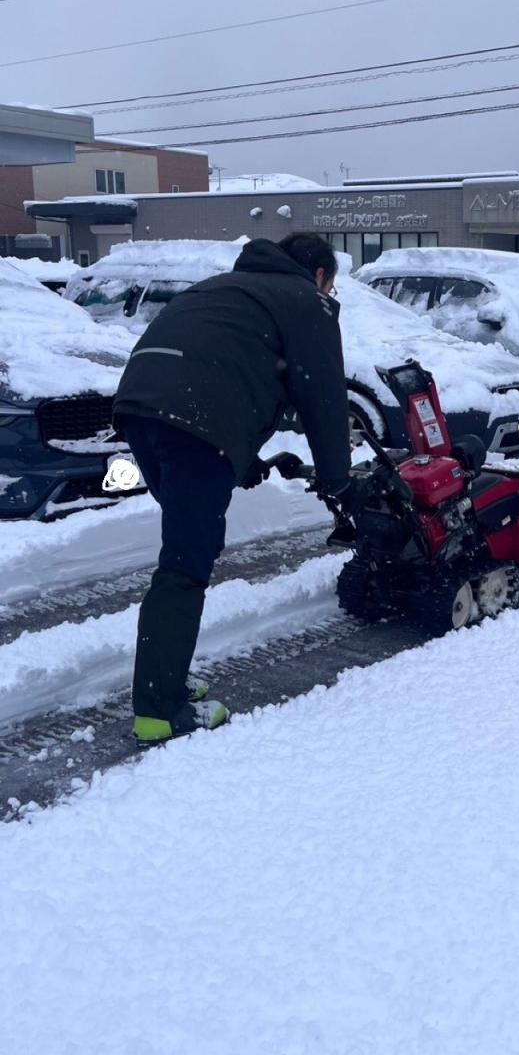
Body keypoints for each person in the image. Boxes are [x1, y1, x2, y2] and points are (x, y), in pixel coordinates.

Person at [114, 233, 352, 743]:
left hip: (139, 407)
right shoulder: (305, 301)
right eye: (331, 287)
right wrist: (339, 484)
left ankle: (168, 677)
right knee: (185, 562)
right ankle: (160, 709)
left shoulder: (227, 286)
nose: (329, 296)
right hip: (193, 420)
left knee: (185, 545)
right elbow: (324, 396)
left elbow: (221, 362)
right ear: (317, 277)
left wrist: (242, 462)